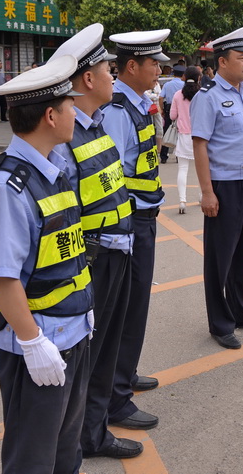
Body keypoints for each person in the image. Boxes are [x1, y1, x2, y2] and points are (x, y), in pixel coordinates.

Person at [0, 55, 92, 474]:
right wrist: (31, 343)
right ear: (50, 116)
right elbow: (2, 277)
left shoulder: (53, 168)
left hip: (73, 331)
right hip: (40, 345)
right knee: (32, 460)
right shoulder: (6, 187)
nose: (75, 113)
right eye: (70, 106)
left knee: (65, 453)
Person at [48, 24, 145, 462]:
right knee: (88, 352)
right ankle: (81, 436)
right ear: (88, 78)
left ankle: (94, 430)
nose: (113, 75)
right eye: (108, 69)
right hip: (93, 258)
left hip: (117, 249)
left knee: (104, 349)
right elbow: (60, 211)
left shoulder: (98, 124)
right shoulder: (66, 139)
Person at [101, 28, 169, 431]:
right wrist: (123, 226)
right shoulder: (117, 111)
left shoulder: (137, 104)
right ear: (131, 66)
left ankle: (123, 374)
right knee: (124, 308)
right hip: (128, 222)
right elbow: (109, 176)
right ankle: (115, 398)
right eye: (153, 63)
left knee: (134, 304)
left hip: (143, 217)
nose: (159, 69)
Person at [191, 26, 243, 350]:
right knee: (220, 258)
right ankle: (221, 323)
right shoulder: (207, 96)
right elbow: (200, 144)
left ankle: (240, 309)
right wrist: (207, 192)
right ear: (222, 61)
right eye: (241, 57)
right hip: (224, 186)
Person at [170, 67, 201, 213]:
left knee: (183, 169)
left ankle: (182, 201)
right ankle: (202, 195)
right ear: (198, 78)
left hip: (183, 135)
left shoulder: (178, 95)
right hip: (200, 136)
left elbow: (172, 116)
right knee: (201, 168)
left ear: (184, 77)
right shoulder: (202, 94)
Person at [158, 64, 185, 163]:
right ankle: (179, 155)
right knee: (180, 132)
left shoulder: (167, 84)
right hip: (181, 110)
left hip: (169, 109)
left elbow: (161, 97)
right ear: (183, 75)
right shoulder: (184, 85)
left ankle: (164, 156)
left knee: (167, 131)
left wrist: (162, 109)